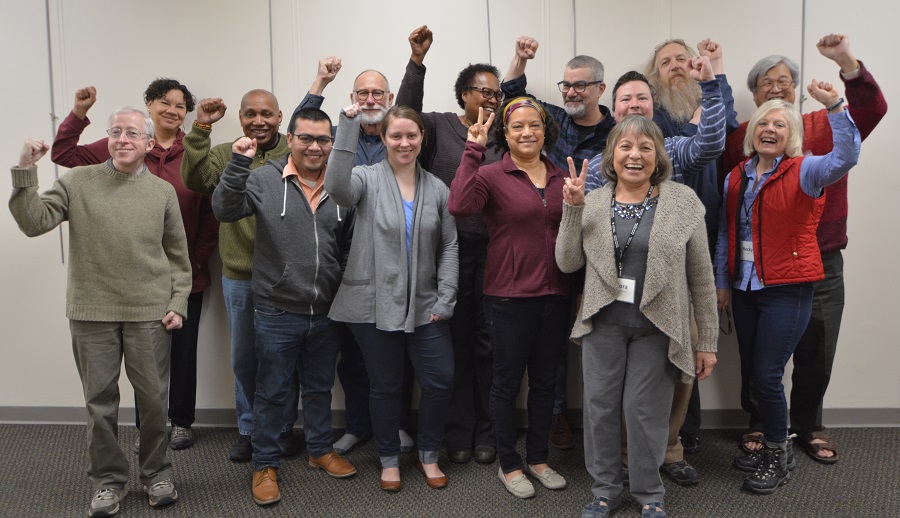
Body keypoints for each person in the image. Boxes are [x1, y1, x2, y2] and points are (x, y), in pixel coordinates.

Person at [10, 108, 191, 517]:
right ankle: (108, 481)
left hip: (149, 312)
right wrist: (25, 169)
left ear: (148, 143)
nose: (123, 139)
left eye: (132, 133)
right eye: (116, 132)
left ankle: (157, 474)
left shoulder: (162, 193)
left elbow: (178, 258)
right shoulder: (77, 181)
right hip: (92, 310)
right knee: (99, 403)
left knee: (153, 402)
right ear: (107, 139)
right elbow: (33, 221)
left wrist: (177, 302)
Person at [721, 34, 886, 464]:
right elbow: (729, 208)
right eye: (765, 83)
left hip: (819, 259)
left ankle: (808, 425)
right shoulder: (743, 139)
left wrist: (846, 66)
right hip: (753, 269)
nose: (775, 88)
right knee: (758, 356)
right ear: (753, 96)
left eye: (783, 81)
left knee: (817, 348)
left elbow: (868, 115)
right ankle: (761, 423)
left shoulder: (819, 128)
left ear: (795, 90)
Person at [556, 114, 717, 518]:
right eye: (626, 146)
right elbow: (567, 263)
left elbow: (701, 275)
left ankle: (649, 493)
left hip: (657, 327)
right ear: (612, 154)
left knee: (645, 414)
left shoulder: (682, 202)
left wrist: (708, 343)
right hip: (603, 325)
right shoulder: (590, 201)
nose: (635, 155)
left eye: (645, 147)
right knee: (600, 410)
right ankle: (605, 491)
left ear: (657, 155)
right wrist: (571, 210)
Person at [180, 60, 338, 461]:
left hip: (290, 278)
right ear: (240, 118)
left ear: (280, 120)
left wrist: (319, 83)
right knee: (246, 359)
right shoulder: (227, 153)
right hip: (241, 276)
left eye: (266, 113)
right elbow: (195, 179)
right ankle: (250, 430)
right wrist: (200, 130)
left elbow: (310, 124)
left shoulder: (295, 150)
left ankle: (283, 430)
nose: (258, 120)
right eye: (250, 113)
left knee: (289, 362)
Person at [50, 79, 219, 451]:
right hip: (129, 281)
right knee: (147, 366)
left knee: (182, 353)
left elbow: (209, 215)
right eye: (164, 102)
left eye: (180, 105)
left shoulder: (193, 151)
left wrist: (192, 261)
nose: (172, 110)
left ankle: (181, 423)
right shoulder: (125, 143)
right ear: (149, 105)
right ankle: (148, 425)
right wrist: (79, 114)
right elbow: (64, 154)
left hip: (183, 275)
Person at [716, 81, 860, 494]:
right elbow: (728, 233)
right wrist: (722, 283)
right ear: (752, 130)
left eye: (780, 124)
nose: (770, 129)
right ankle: (772, 445)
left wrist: (835, 106)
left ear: (791, 135)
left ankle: (779, 454)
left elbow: (847, 155)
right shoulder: (735, 177)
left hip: (788, 288)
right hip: (745, 289)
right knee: (755, 374)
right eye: (764, 122)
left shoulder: (807, 170)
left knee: (767, 374)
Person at [213, 108, 357, 505]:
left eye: (323, 140)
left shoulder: (342, 185)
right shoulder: (262, 178)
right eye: (306, 138)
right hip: (276, 309)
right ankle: (265, 464)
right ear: (290, 138)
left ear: (332, 143)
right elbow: (224, 210)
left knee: (318, 387)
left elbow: (346, 244)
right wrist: (239, 162)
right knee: (273, 392)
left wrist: (339, 289)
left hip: (326, 310)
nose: (314, 146)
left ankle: (319, 449)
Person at [325, 104, 458, 492]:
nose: (404, 142)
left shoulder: (437, 188)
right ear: (383, 138)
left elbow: (449, 246)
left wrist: (445, 298)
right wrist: (348, 127)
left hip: (425, 305)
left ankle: (429, 454)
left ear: (422, 139)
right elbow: (336, 188)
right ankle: (388, 460)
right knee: (384, 386)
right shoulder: (364, 178)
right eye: (395, 135)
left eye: (411, 135)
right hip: (372, 306)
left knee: (439, 380)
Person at [500, 35, 617, 451]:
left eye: (580, 85)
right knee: (553, 339)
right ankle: (555, 418)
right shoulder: (551, 122)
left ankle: (606, 427)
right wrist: (521, 58)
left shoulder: (618, 133)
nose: (570, 92)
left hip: (604, 249)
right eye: (566, 85)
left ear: (601, 89)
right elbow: (511, 94)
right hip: (556, 243)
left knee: (600, 335)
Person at [450, 99, 570, 499]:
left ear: (545, 129)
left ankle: (538, 458)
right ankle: (509, 464)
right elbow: (458, 205)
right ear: (506, 132)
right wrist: (473, 149)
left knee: (546, 383)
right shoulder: (490, 174)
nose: (526, 133)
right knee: (505, 384)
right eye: (517, 126)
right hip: (507, 299)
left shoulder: (560, 175)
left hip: (555, 297)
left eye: (533, 125)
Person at [396, 24, 503, 465]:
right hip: (447, 255)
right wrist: (417, 63)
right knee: (454, 343)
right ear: (463, 95)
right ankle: (458, 432)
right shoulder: (439, 127)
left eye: (497, 93)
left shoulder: (508, 135)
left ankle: (489, 433)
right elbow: (403, 114)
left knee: (490, 344)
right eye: (483, 91)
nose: (491, 99)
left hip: (496, 255)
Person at [643, 37, 739, 484]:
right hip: (648, 256)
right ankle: (649, 449)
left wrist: (715, 76)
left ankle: (681, 440)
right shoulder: (651, 129)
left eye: (683, 59)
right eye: (666, 62)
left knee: (691, 345)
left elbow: (714, 140)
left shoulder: (709, 113)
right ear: (654, 77)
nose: (676, 67)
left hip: (702, 244)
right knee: (649, 355)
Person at [317, 66, 417, 458]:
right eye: (363, 94)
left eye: (378, 93)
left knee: (396, 353)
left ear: (391, 100)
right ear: (353, 99)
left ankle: (396, 426)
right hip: (341, 261)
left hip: (392, 262)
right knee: (353, 356)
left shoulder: (401, 141)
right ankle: (358, 426)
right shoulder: (338, 138)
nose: (370, 100)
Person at [585, 61, 726, 193]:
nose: (635, 104)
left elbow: (710, 146)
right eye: (626, 99)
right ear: (614, 110)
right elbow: (588, 218)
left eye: (642, 98)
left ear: (653, 107)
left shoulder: (674, 151)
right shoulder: (595, 169)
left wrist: (709, 85)